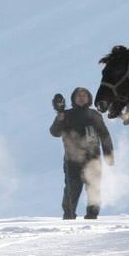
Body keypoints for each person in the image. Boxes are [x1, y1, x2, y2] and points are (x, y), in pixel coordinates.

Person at [49, 87, 115, 220]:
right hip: (72, 159)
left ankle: (92, 215)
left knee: (94, 188)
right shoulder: (66, 114)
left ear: (89, 98)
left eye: (84, 95)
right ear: (73, 99)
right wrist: (59, 118)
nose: (81, 97)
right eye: (78, 95)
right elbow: (54, 132)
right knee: (72, 188)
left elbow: (104, 135)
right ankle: (69, 215)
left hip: (93, 158)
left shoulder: (95, 115)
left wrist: (108, 154)